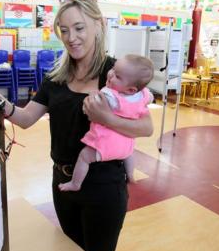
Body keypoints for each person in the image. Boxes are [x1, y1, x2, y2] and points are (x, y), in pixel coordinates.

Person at [0, 0, 153, 251]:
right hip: (62, 182)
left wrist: (106, 118)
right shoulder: (56, 77)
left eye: (79, 28)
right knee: (70, 250)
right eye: (65, 30)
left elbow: (146, 127)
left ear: (98, 24)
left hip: (103, 185)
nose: (72, 37)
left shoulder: (115, 72)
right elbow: (25, 119)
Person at [58, 54, 154, 192]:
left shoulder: (110, 96)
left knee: (85, 157)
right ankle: (131, 174)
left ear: (131, 89)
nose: (111, 75)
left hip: (105, 143)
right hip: (126, 144)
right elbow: (148, 98)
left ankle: (75, 183)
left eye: (118, 77)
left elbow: (91, 109)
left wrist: (92, 97)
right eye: (113, 69)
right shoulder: (144, 95)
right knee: (130, 153)